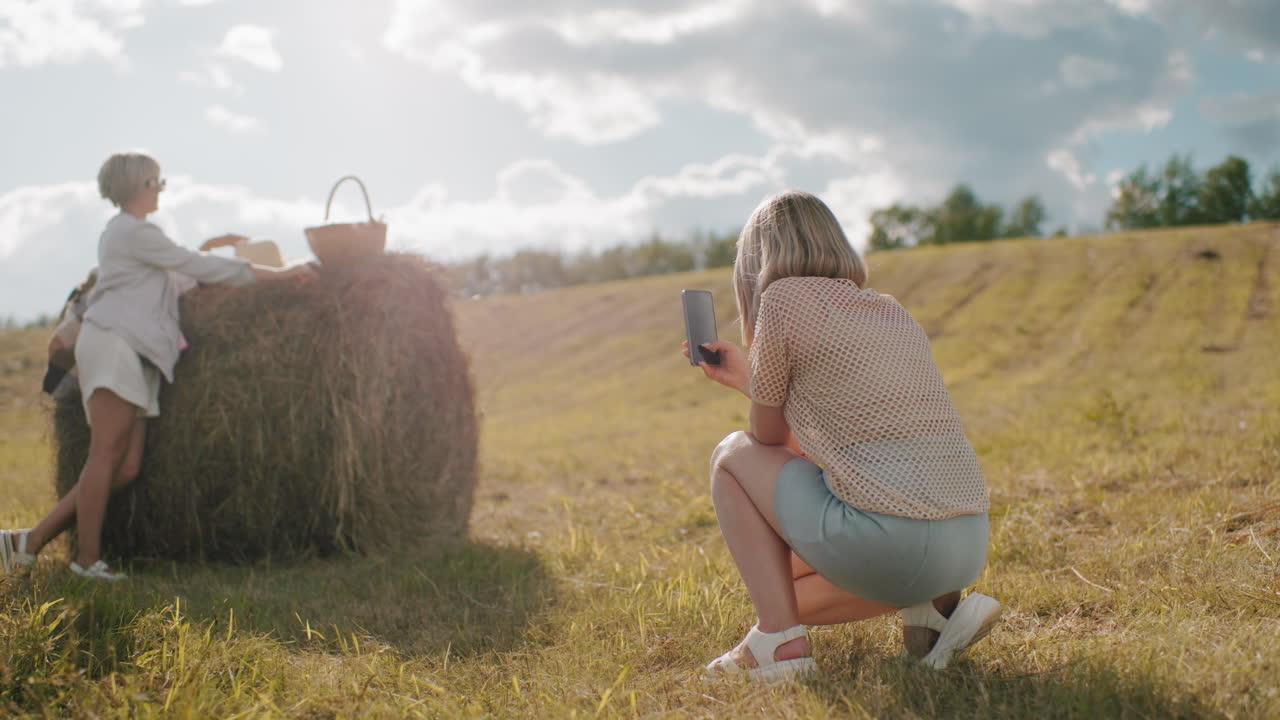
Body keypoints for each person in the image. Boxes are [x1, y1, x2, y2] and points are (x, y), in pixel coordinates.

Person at [686, 190, 999, 682]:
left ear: (756, 261)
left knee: (731, 455)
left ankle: (779, 643)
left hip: (894, 542)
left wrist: (755, 382)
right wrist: (754, 378)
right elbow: (837, 444)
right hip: (966, 545)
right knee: (789, 584)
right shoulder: (887, 309)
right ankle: (932, 623)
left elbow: (765, 437)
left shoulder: (783, 298)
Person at [0, 150, 314, 581]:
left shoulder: (136, 238)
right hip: (114, 344)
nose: (161, 189)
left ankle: (29, 541)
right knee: (105, 454)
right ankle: (86, 561)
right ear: (138, 186)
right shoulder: (131, 232)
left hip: (139, 356)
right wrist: (279, 275)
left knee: (125, 467)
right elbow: (196, 265)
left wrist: (219, 248)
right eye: (157, 182)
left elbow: (186, 271)